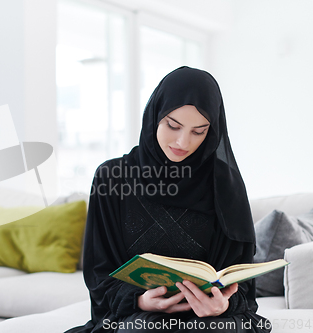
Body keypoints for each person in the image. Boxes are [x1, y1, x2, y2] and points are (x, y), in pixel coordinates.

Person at [65, 67, 271, 333]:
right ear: (155, 116)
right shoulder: (112, 178)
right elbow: (99, 274)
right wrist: (139, 300)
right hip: (139, 315)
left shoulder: (225, 184)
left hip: (211, 320)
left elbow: (241, 286)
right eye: (173, 125)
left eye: (199, 131)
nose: (183, 142)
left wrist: (222, 306)